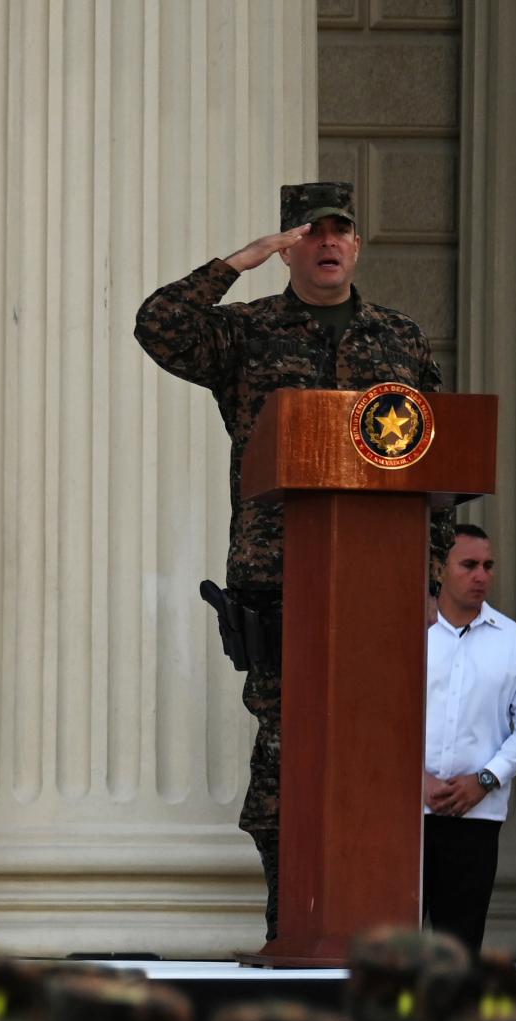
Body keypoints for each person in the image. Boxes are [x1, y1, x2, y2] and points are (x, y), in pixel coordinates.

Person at [135, 181, 447, 940]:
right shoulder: (246, 333)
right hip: (281, 580)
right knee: (285, 765)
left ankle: (375, 922)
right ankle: (294, 924)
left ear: (358, 245)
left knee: (374, 757)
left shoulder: (398, 339)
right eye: (310, 233)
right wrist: (237, 263)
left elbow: (436, 464)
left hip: (380, 582)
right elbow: (160, 326)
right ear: (288, 247)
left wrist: (430, 572)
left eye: (341, 231)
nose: (329, 243)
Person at [423, 526, 516, 951]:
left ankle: (451, 1018)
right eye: (469, 565)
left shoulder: (514, 643)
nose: (481, 576)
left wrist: (485, 779)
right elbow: (378, 714)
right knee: (393, 948)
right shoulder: (409, 632)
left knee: (460, 946)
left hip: (475, 818)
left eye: (488, 565)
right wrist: (417, 780)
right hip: (402, 817)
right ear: (440, 568)